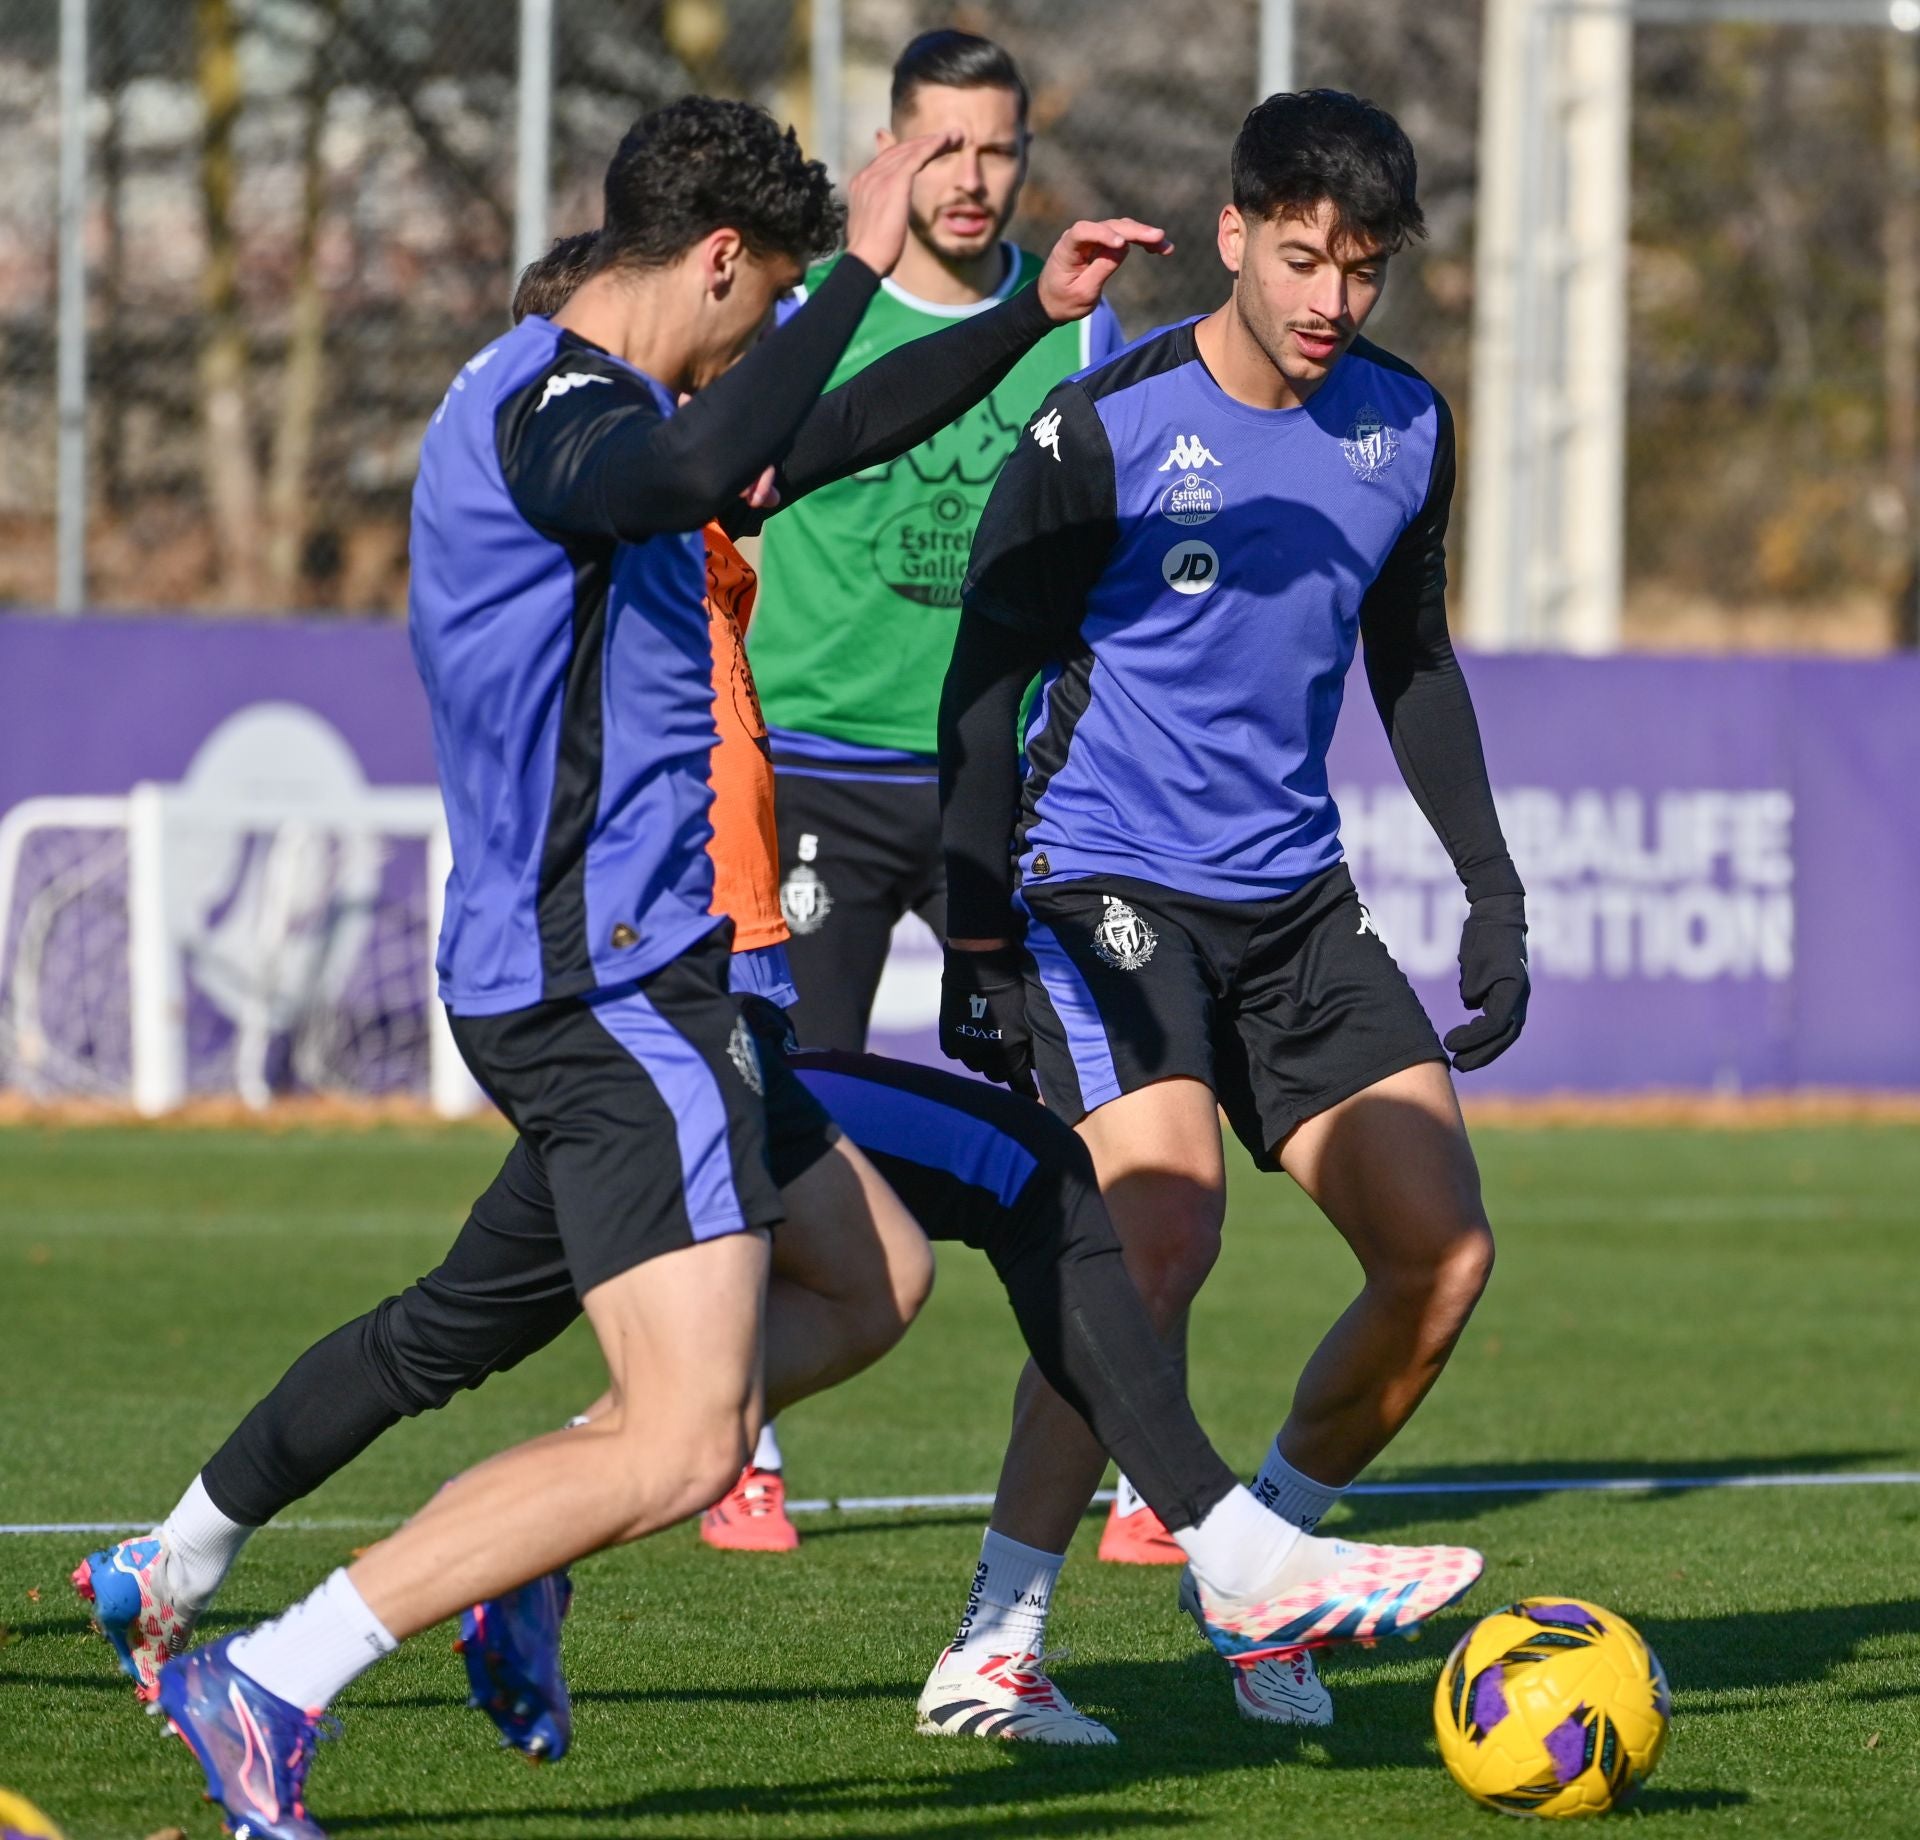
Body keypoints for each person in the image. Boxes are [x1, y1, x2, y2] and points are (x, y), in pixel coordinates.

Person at [933, 89, 1529, 1739]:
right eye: (1302, 258)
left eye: (1363, 268)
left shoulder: (1404, 426)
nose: (1331, 298)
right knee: (1161, 1222)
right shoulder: (1104, 426)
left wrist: (1491, 890)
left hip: (1291, 904)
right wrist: (978, 935)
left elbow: (1410, 664)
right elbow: (981, 694)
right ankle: (996, 1640)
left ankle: (1249, 1566)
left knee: (1442, 1255)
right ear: (1236, 235)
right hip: (1100, 875)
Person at [747, 29, 1126, 1062]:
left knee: (1057, 1104)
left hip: (1002, 779)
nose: (971, 178)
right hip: (821, 766)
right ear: (886, 153)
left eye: (997, 151)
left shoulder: (1083, 324)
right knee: (808, 1105)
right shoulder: (804, 316)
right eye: (941, 147)